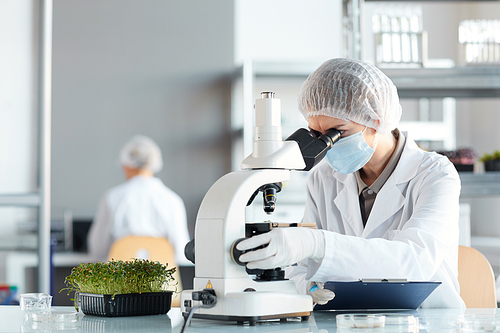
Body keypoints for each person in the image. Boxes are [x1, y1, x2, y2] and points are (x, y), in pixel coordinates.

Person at [236, 58, 464, 309]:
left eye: (338, 132)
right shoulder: (323, 179)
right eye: (318, 135)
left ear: (377, 118)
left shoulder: (435, 174)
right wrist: (308, 288)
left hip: (428, 321)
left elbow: (413, 263)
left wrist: (317, 244)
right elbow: (301, 270)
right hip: (347, 320)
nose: (328, 145)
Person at [88, 135, 191, 266]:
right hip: (163, 283)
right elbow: (182, 255)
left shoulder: (112, 197)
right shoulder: (173, 200)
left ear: (126, 165)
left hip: (119, 284)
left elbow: (97, 249)